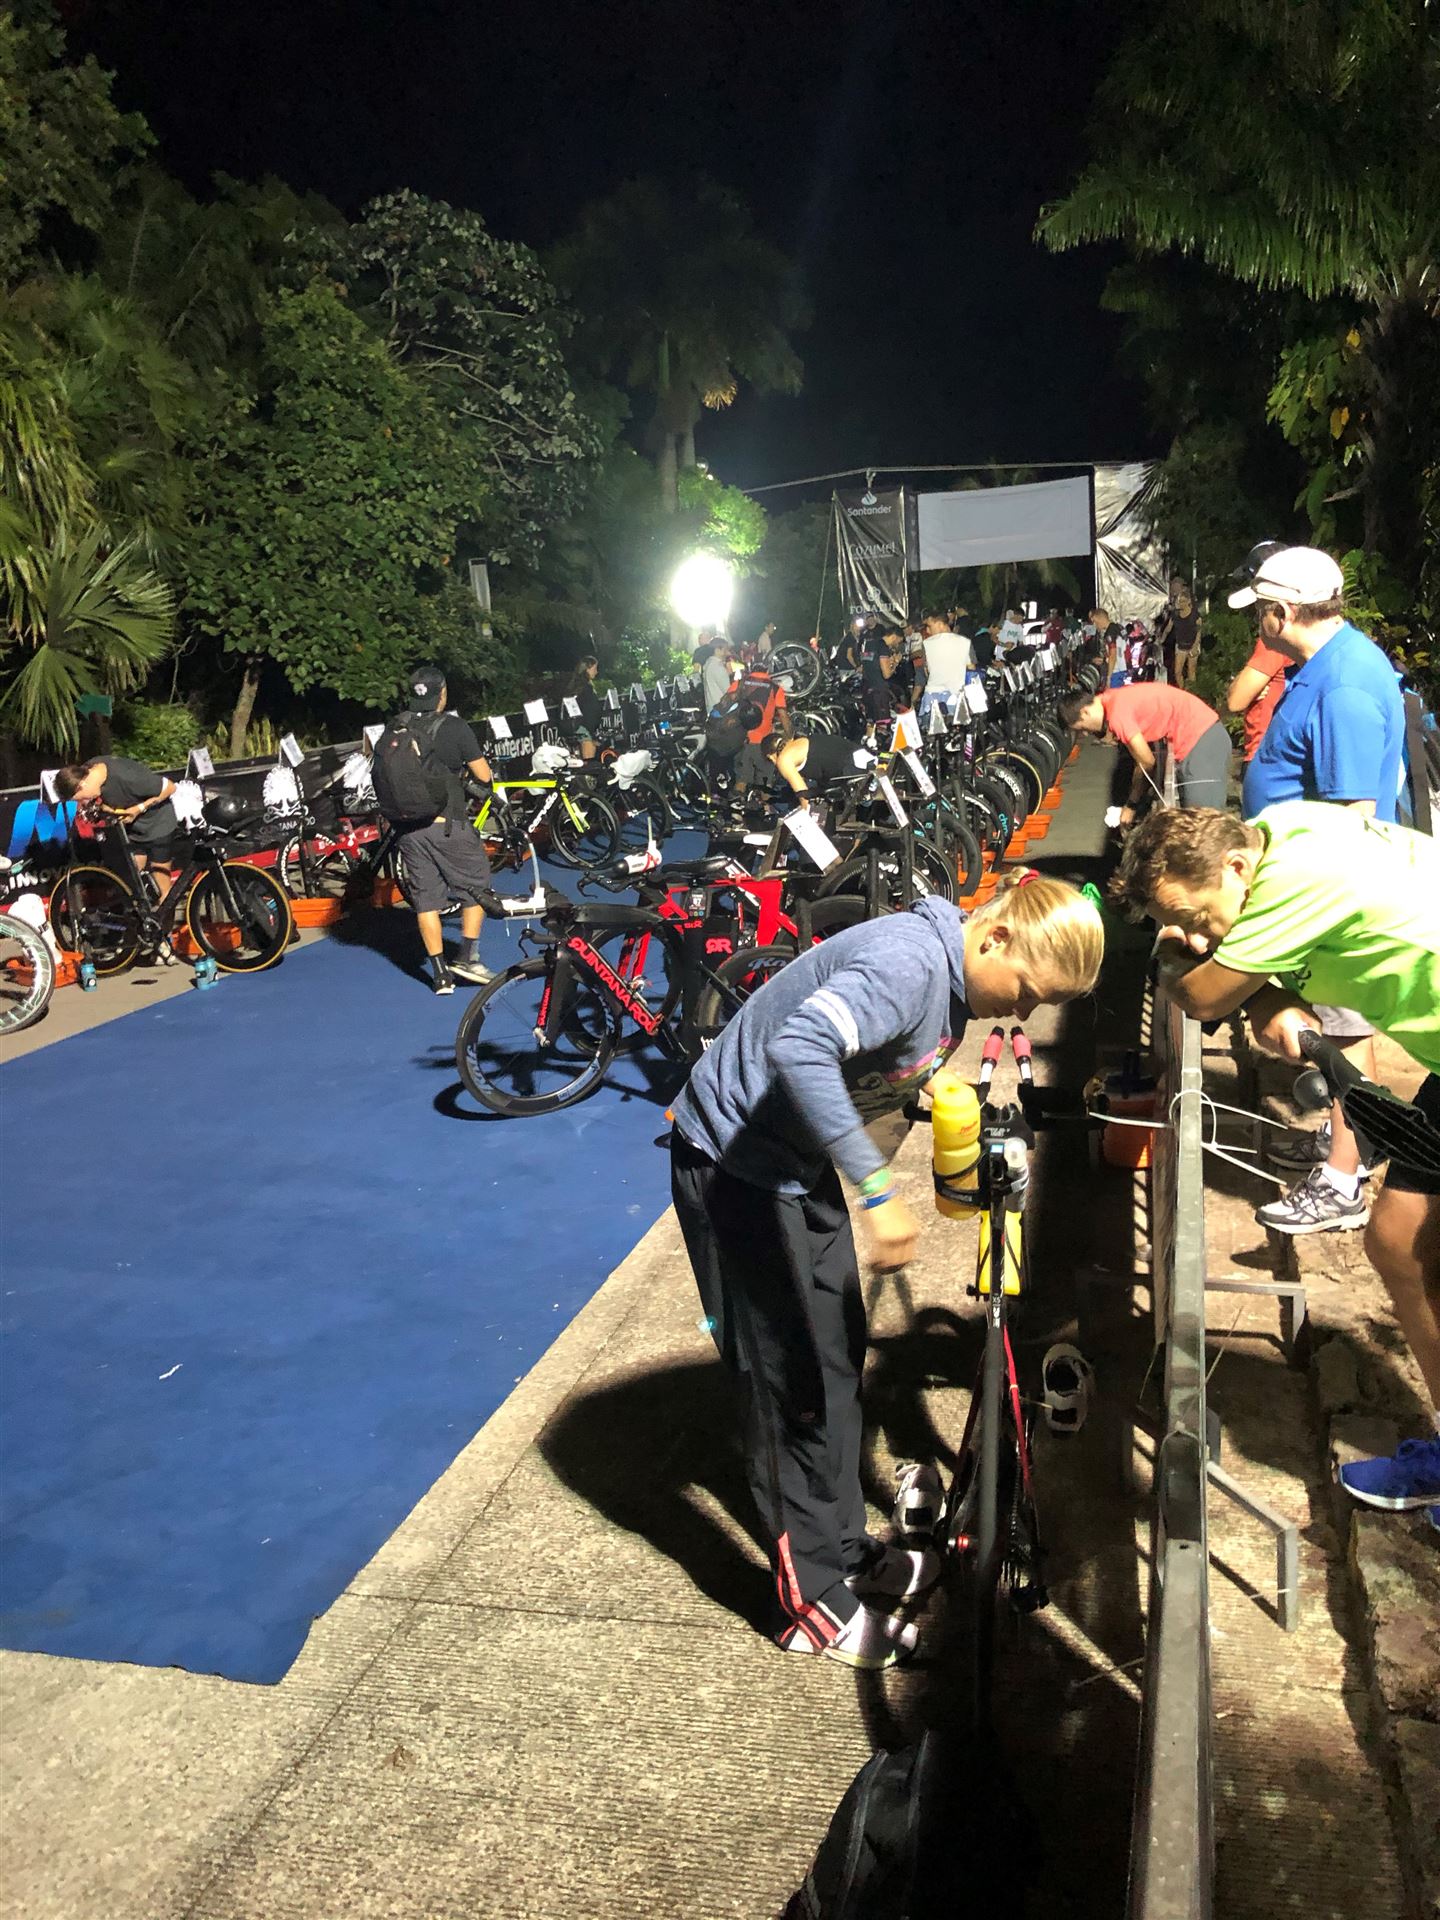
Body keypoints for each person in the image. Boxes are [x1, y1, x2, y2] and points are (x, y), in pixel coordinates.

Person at [669, 876, 1105, 1666]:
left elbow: (870, 1048)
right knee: (788, 1391)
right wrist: (876, 1189)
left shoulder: (954, 981)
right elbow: (799, 1047)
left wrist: (920, 1082)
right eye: (1028, 991)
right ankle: (812, 1606)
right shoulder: (910, 965)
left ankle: (840, 1548)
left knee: (836, 1360)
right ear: (996, 938)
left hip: (792, 1164)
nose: (1022, 1013)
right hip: (735, 1167)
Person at [1110, 803, 1440, 1518]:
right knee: (1399, 1240)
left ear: (1234, 866)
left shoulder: (1295, 882)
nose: (1200, 937)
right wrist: (1263, 992)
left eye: (1196, 916)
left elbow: (1199, 994)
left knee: (1409, 1241)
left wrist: (1189, 962)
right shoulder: (1278, 831)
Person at [1230, 543, 1407, 1234]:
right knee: (1337, 1029)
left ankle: (1343, 1183)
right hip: (1316, 887)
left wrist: (1304, 910)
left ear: (1281, 611)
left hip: (1335, 897)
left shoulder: (1345, 686)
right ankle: (1346, 1143)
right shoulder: (1324, 666)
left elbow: (1352, 816)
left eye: (1261, 611)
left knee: (1343, 1033)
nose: (1259, 623)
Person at [370, 665, 496, 996]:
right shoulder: (454, 727)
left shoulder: (396, 726)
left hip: (407, 829)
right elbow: (484, 776)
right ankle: (468, 957)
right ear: (442, 693)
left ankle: (440, 975)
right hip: (447, 823)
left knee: (426, 901)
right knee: (476, 886)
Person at [1058, 682, 1232, 815]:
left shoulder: (1117, 715)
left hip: (1200, 740)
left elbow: (1147, 762)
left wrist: (1131, 805)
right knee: (1196, 819)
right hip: (1202, 737)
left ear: (1085, 712)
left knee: (1205, 821)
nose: (1086, 734)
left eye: (1082, 728)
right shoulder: (1111, 697)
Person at [55, 756, 181, 897]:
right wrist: (105, 810)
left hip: (158, 824)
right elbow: (104, 804)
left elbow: (171, 787)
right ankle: (136, 905)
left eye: (82, 798)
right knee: (129, 878)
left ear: (82, 785)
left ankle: (165, 908)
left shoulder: (127, 776)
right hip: (132, 828)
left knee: (161, 884)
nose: (85, 802)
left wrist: (139, 808)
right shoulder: (85, 772)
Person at [761, 728, 871, 809]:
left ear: (770, 756)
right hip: (861, 755)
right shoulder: (799, 741)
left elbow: (803, 794)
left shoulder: (783, 760)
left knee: (865, 803)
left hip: (851, 770)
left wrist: (805, 818)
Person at [1227, 632, 1291, 765]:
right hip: (1291, 753)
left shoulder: (1275, 641)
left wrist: (1246, 681)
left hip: (1263, 754)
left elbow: (1235, 701)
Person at [916, 610, 971, 721]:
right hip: (957, 695)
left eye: (929, 626)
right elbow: (971, 669)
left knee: (930, 727)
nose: (927, 630)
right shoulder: (965, 642)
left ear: (940, 624)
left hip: (932, 694)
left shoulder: (927, 644)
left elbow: (926, 671)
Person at [1155, 577, 1200, 687]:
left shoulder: (1193, 612)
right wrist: (1161, 639)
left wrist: (1195, 645)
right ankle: (1183, 690)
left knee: (1191, 670)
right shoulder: (1175, 611)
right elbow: (1168, 628)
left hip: (1191, 642)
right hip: (1180, 643)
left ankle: (1191, 691)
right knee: (1177, 671)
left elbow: (1198, 629)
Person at [859, 630, 903, 726]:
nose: (897, 645)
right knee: (882, 724)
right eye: (898, 642)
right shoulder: (883, 647)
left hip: (867, 688)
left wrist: (888, 661)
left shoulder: (868, 644)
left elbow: (869, 664)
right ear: (894, 637)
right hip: (879, 690)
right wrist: (895, 662)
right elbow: (886, 674)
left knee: (871, 723)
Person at [565, 654, 604, 761]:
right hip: (585, 729)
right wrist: (591, 731)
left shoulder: (574, 686)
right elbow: (590, 711)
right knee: (589, 761)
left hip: (579, 727)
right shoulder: (586, 689)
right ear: (587, 669)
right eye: (594, 669)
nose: (596, 672)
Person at [702, 636, 735, 716]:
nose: (728, 653)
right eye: (725, 650)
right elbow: (728, 691)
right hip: (721, 710)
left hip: (712, 708)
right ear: (717, 650)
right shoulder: (718, 667)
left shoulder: (708, 663)